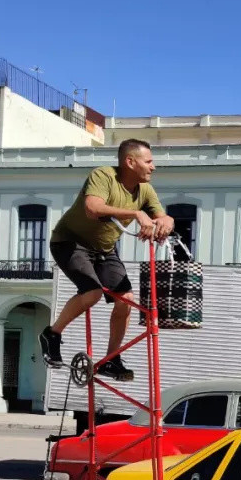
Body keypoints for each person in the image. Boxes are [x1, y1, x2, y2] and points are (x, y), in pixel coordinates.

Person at [38, 139, 174, 381]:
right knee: (92, 293)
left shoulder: (145, 190)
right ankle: (52, 333)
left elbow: (163, 216)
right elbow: (93, 207)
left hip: (105, 249)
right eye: (149, 161)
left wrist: (165, 222)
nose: (153, 167)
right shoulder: (103, 175)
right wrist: (136, 213)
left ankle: (112, 359)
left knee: (126, 300)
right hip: (70, 242)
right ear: (130, 162)